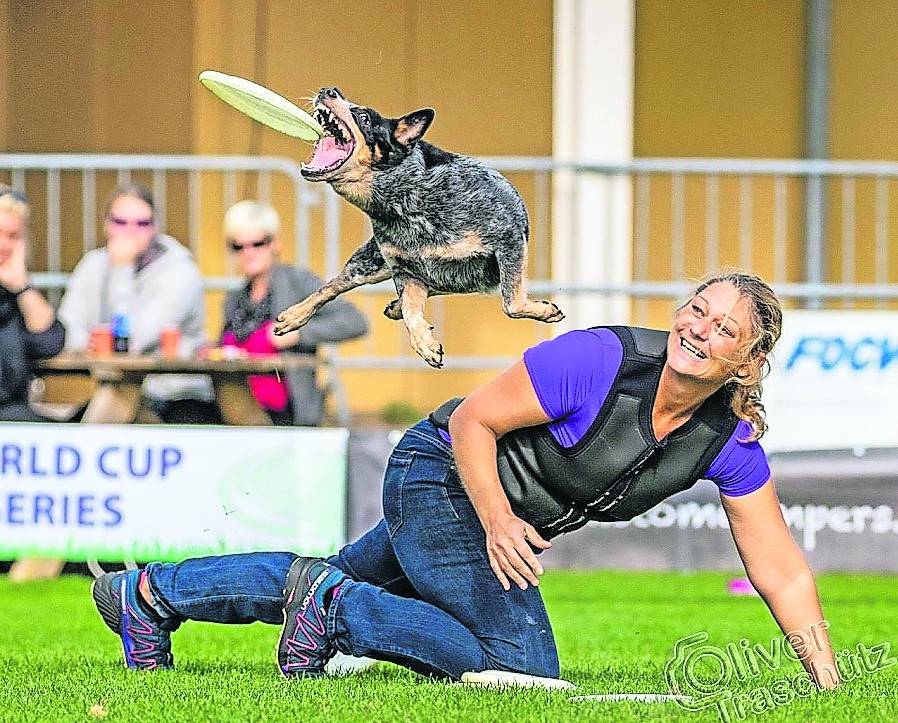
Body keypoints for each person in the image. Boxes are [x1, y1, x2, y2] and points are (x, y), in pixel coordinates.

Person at [89, 272, 841, 689]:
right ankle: (335, 610)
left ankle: (148, 595)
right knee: (518, 664)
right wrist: (497, 521)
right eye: (696, 309)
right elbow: (471, 422)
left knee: (326, 574)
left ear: (747, 363)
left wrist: (830, 685)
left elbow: (779, 567)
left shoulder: (728, 439)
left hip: (482, 516)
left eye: (723, 330)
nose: (698, 329)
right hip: (443, 473)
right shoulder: (598, 359)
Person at [58, 183, 218, 423]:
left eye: (142, 223)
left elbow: (132, 342)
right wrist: (89, 342)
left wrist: (122, 268)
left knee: (119, 400)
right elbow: (65, 333)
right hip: (116, 388)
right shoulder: (93, 264)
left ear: (155, 228)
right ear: (105, 225)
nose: (130, 231)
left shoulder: (181, 272)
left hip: (176, 396)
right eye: (120, 222)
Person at [219, 200, 367, 426]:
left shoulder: (297, 282)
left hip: (288, 407)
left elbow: (354, 321)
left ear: (275, 244)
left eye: (257, 243)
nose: (248, 253)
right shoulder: (235, 298)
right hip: (241, 399)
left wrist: (297, 334)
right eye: (238, 246)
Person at [0, 186, 66, 422]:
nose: (3, 245)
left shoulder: (12, 290)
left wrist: (20, 285)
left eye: (13, 236)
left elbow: (49, 342)